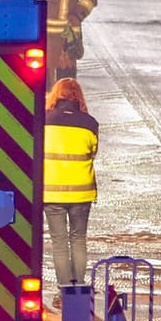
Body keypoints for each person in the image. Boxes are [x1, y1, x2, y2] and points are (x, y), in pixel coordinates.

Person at [42, 77, 99, 286]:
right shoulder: (90, 123)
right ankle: (79, 284)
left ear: (55, 95)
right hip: (81, 193)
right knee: (78, 239)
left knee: (59, 243)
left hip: (51, 192)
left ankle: (64, 287)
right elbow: (93, 152)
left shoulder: (44, 121)